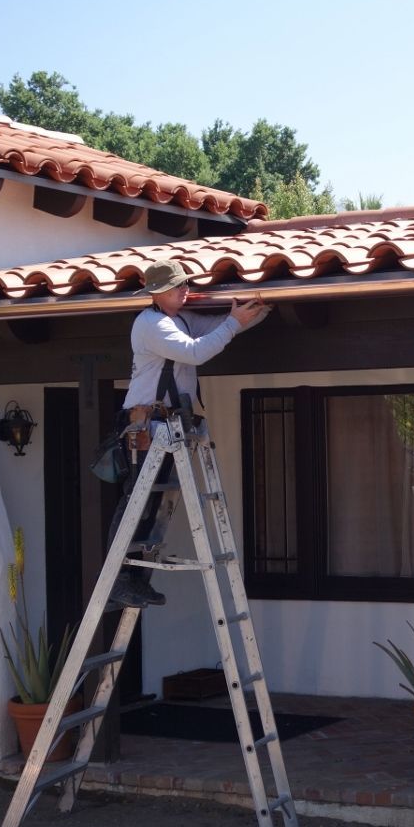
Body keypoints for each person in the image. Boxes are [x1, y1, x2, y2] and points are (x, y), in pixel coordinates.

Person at [108, 259, 269, 608]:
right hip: (146, 426)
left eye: (184, 284)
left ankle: (136, 579)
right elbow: (196, 352)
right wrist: (233, 323)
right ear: (158, 293)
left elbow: (219, 328)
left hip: (166, 425)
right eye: (178, 286)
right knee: (138, 502)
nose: (185, 290)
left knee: (154, 507)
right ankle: (120, 580)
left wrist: (258, 310)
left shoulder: (178, 319)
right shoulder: (151, 324)